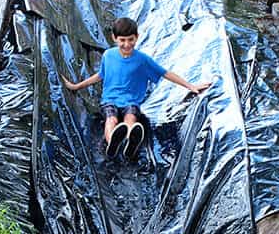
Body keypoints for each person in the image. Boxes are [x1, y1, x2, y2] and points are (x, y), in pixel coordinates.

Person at [61, 16, 211, 160]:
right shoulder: (108, 55)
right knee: (111, 119)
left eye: (130, 40)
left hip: (130, 101)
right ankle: (112, 143)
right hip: (110, 99)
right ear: (114, 38)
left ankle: (129, 142)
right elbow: (100, 75)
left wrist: (190, 86)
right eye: (122, 40)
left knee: (130, 118)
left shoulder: (142, 60)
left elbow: (165, 73)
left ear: (137, 37)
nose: (127, 44)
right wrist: (77, 86)